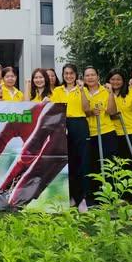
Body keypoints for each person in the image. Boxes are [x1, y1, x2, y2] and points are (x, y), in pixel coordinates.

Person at [51, 63, 89, 212]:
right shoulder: (57, 90)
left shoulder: (82, 89)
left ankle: (82, 198)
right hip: (62, 124)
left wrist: (82, 90)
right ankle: (71, 195)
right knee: (68, 162)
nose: (69, 76)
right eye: (66, 73)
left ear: (76, 75)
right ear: (63, 75)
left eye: (71, 73)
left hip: (79, 124)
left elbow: (86, 108)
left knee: (81, 161)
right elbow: (54, 109)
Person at [106, 69, 132, 201]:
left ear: (123, 81)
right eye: (113, 79)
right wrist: (110, 93)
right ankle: (123, 196)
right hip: (115, 133)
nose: (115, 82)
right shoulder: (106, 93)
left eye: (118, 79)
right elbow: (110, 112)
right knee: (120, 166)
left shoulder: (131, 91)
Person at [80, 66, 118, 199]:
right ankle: (95, 198)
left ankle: (110, 197)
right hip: (89, 133)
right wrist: (90, 111)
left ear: (98, 76)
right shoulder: (82, 90)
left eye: (92, 75)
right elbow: (85, 110)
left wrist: (111, 93)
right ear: (84, 78)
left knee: (108, 166)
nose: (90, 78)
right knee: (92, 167)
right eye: (87, 75)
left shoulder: (105, 90)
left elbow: (112, 111)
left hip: (106, 132)